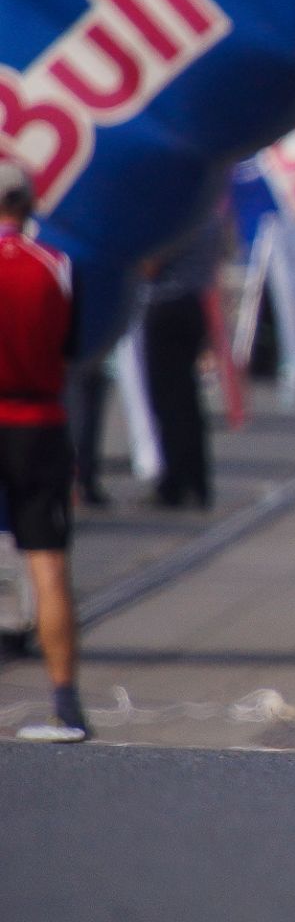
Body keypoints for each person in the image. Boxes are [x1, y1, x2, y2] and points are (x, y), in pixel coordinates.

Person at [0, 161, 90, 741]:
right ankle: (66, 703)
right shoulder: (56, 265)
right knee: (48, 564)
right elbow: (72, 346)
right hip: (38, 420)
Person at [140, 210, 227, 509]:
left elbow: (150, 264)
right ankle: (197, 480)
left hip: (166, 305)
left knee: (167, 399)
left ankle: (176, 482)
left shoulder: (178, 217)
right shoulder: (209, 214)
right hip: (193, 303)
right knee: (187, 398)